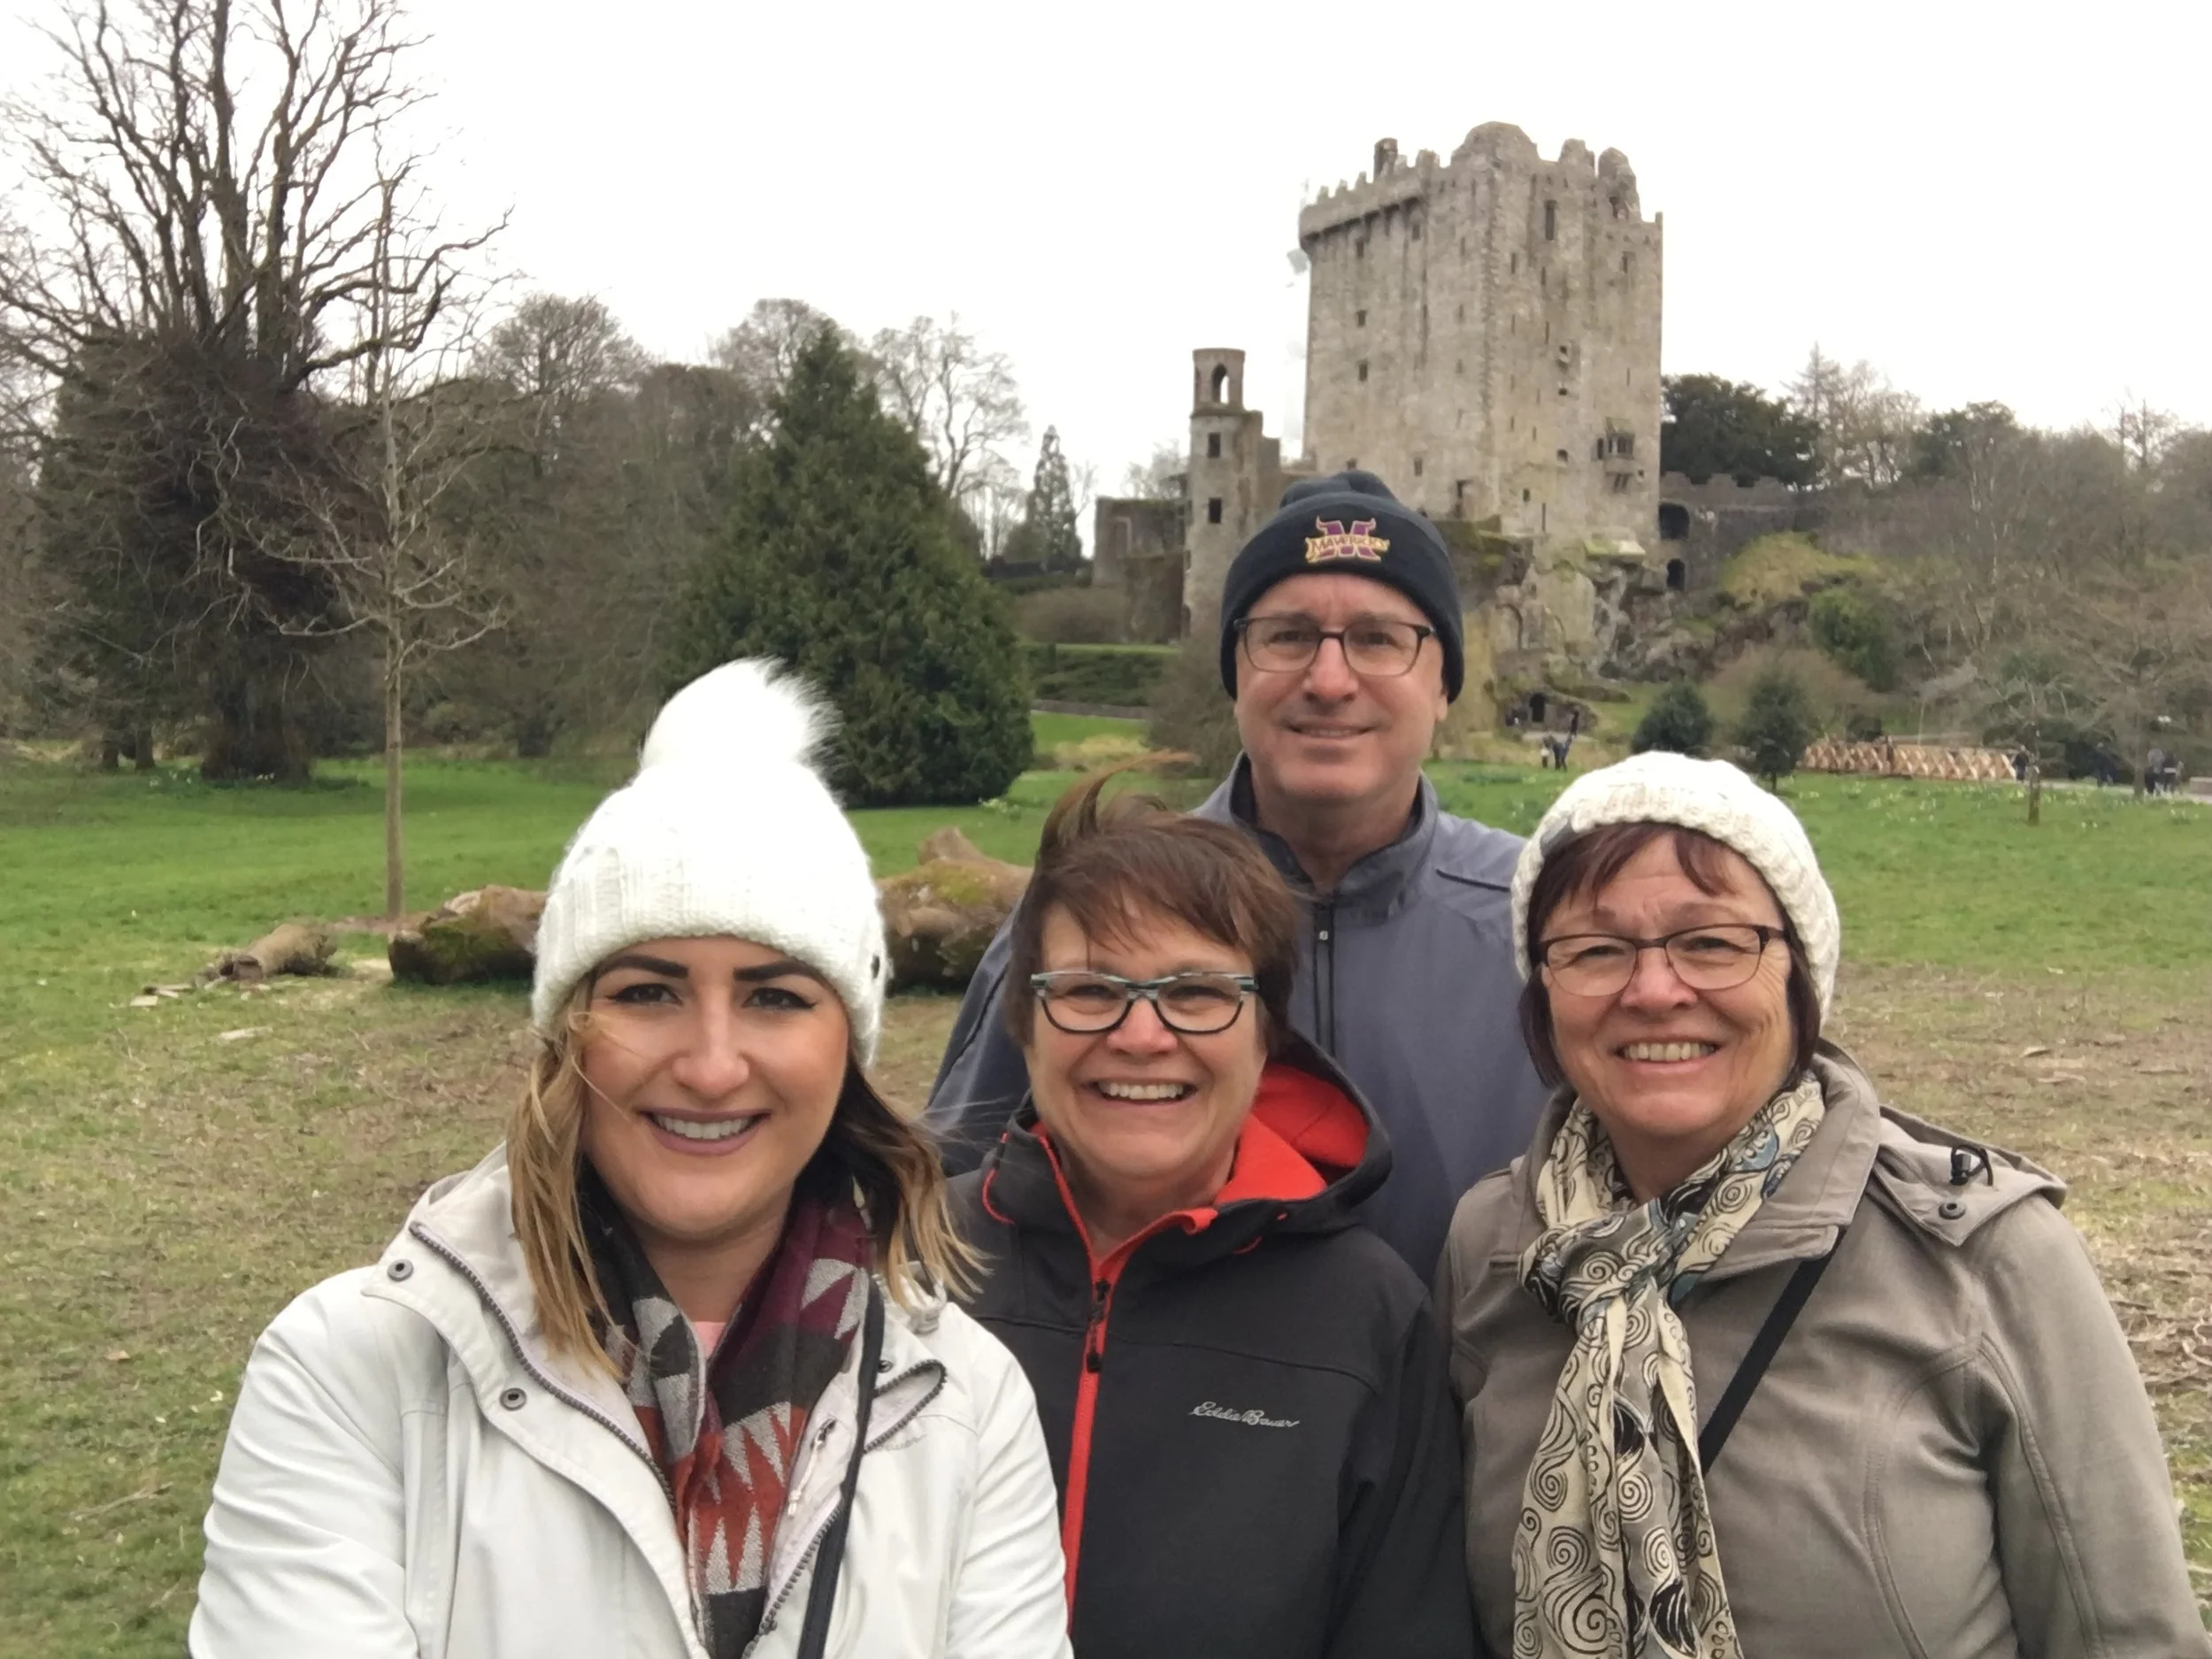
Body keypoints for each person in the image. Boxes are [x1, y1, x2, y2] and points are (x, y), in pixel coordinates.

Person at [191, 662, 1071, 1659]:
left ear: (848, 1047)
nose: (708, 1064)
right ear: (565, 1031)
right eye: (648, 992)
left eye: (775, 996)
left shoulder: (965, 1406)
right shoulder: (353, 1375)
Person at [1436, 751, 2208, 1659]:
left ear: (1800, 977)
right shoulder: (1493, 1245)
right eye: (1596, 950)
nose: (1653, 991)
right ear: (1542, 992)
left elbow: (2124, 1634)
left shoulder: (1985, 1258)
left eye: (1712, 942)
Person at [931, 469, 1549, 1279]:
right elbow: (946, 1207)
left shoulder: (1545, 926)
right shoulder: (1089, 915)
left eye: (1378, 638)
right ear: (1236, 676)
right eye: (1287, 635)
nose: (1329, 681)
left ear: (1444, 685)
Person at [950, 771, 1473, 1659]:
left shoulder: (1367, 1316)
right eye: (1088, 991)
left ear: (1264, 1034)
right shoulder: (908, 1267)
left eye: (1195, 993)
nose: (1142, 1035)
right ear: (1023, 1026)